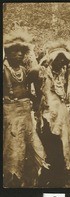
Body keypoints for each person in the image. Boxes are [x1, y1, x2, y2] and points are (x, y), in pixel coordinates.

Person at [3, 30, 47, 187]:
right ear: (7, 52)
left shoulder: (22, 70)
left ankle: (29, 179)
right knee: (14, 147)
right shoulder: (4, 69)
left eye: (22, 51)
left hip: (25, 112)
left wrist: (38, 100)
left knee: (31, 144)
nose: (19, 54)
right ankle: (13, 180)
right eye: (15, 50)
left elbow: (25, 90)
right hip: (10, 113)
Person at [36, 40, 70, 187]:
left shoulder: (63, 72)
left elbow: (66, 92)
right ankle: (50, 177)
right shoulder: (42, 72)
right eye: (58, 58)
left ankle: (59, 176)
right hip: (47, 113)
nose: (61, 61)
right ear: (51, 58)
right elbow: (38, 94)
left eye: (63, 58)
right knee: (51, 143)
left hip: (61, 111)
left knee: (62, 141)